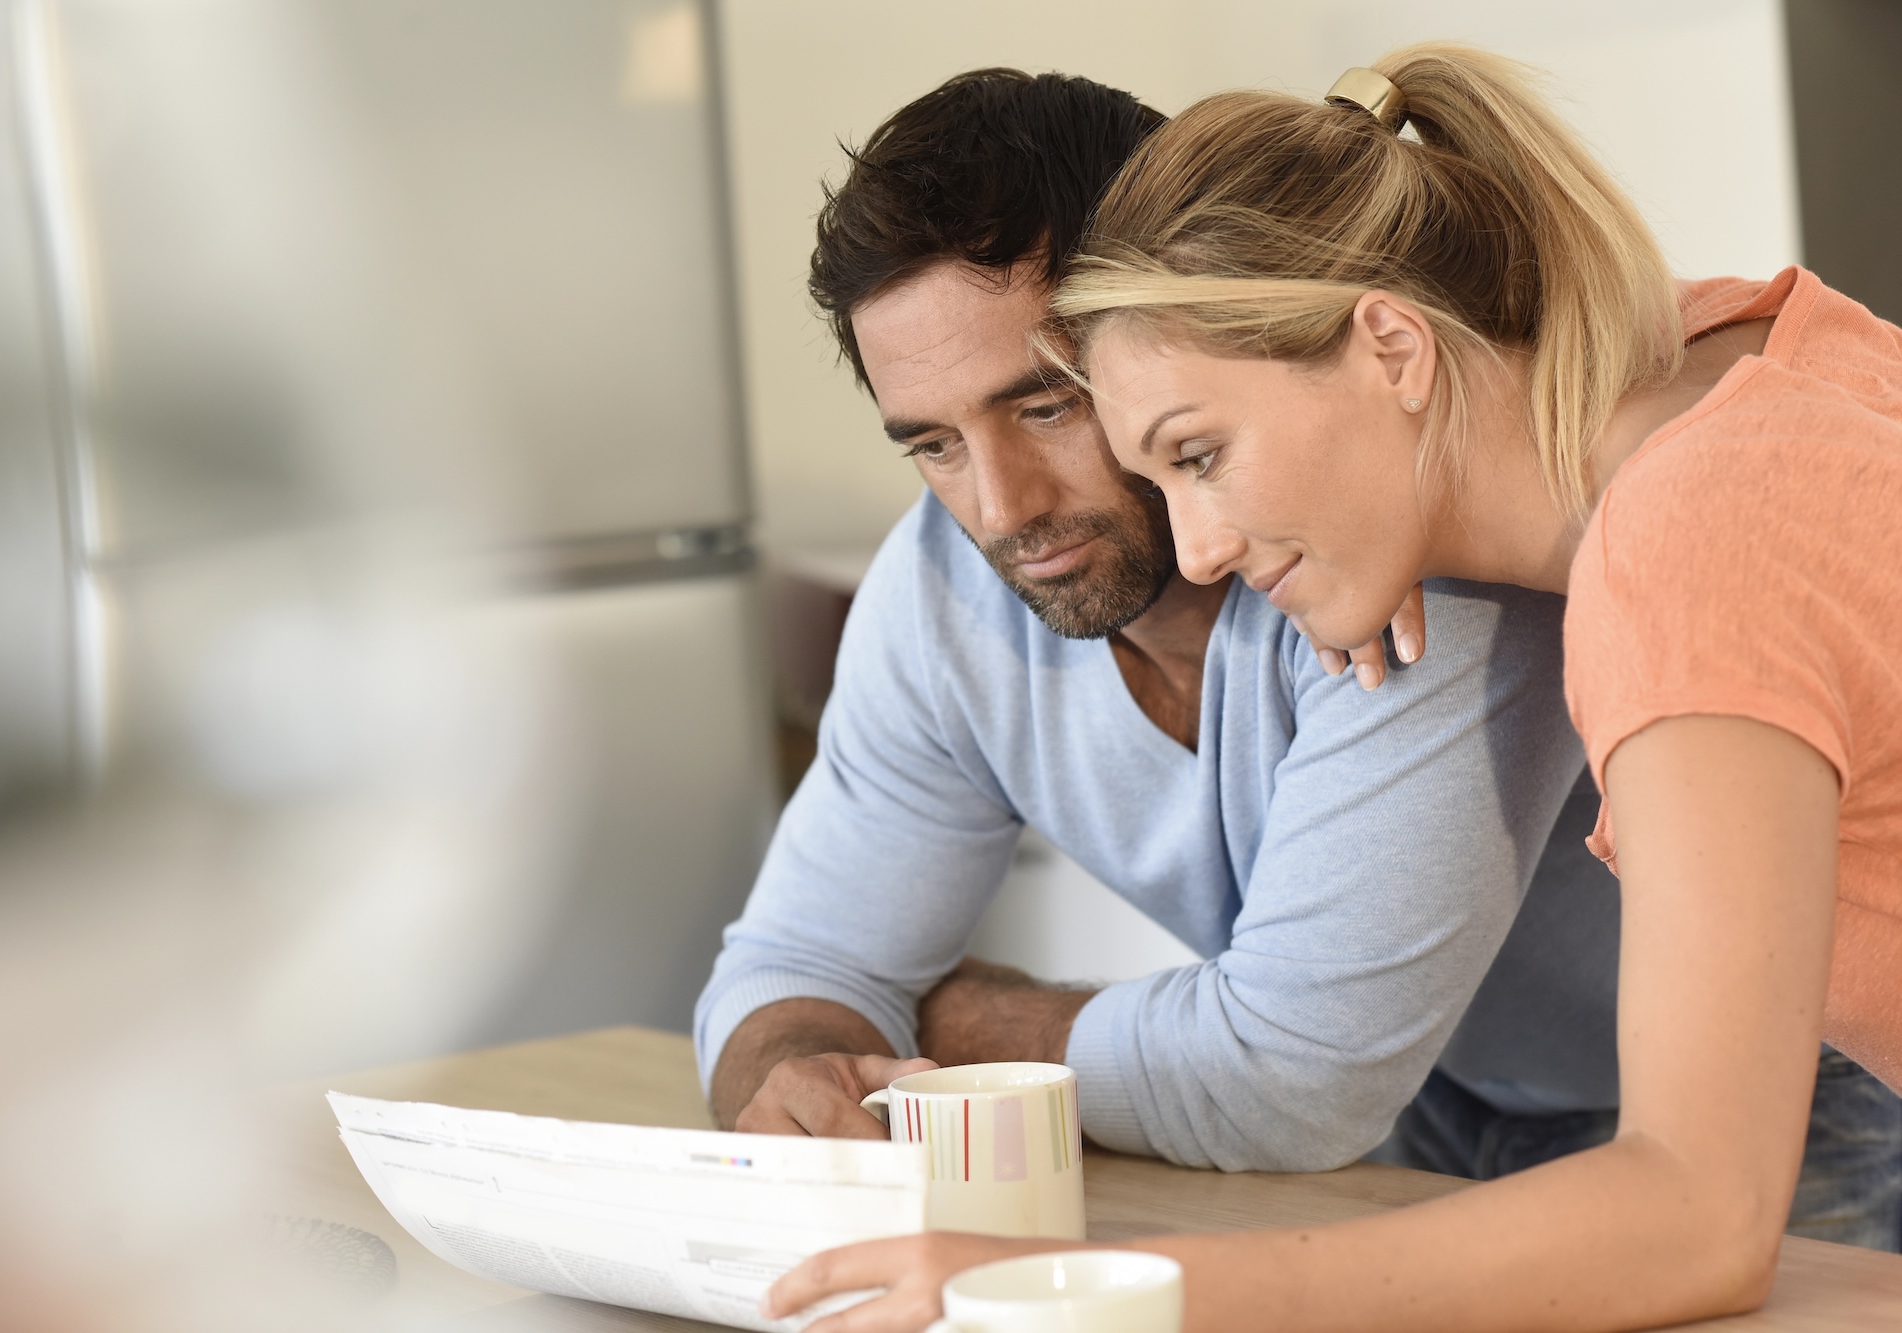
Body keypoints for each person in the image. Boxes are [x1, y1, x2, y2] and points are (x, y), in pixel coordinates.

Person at [764, 44, 1902, 1333]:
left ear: (1394, 346)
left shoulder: (1681, 537)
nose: (1197, 550)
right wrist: (1388, 508)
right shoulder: (1737, 367)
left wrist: (1069, 1274)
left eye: (1200, 451)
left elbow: (1698, 1219)